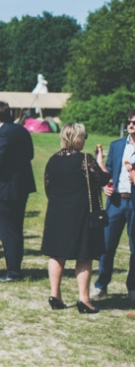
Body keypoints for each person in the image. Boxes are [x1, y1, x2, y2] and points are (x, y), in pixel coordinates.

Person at [41, 123, 107, 313]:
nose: (85, 139)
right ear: (78, 138)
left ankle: (55, 294)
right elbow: (102, 179)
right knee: (84, 255)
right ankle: (84, 300)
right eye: (84, 136)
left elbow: (48, 187)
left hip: (57, 213)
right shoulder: (86, 160)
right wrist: (100, 161)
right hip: (82, 214)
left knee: (57, 254)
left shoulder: (52, 160)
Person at [0, 101, 36, 282]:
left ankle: (13, 271)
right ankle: (15, 267)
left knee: (8, 231)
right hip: (21, 186)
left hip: (6, 189)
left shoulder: (3, 134)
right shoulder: (22, 130)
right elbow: (30, 155)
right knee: (16, 228)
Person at [94, 109, 135, 300]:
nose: (131, 125)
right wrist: (105, 185)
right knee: (107, 245)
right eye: (129, 122)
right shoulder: (118, 146)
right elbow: (108, 171)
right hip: (117, 202)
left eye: (134, 122)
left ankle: (132, 289)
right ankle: (101, 285)